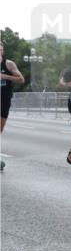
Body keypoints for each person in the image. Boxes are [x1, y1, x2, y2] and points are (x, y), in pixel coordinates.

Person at [1, 43, 26, 171]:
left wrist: (5, 76)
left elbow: (21, 80)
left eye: (0, 49)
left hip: (4, 98)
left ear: (2, 51)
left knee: (0, 128)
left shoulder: (8, 64)